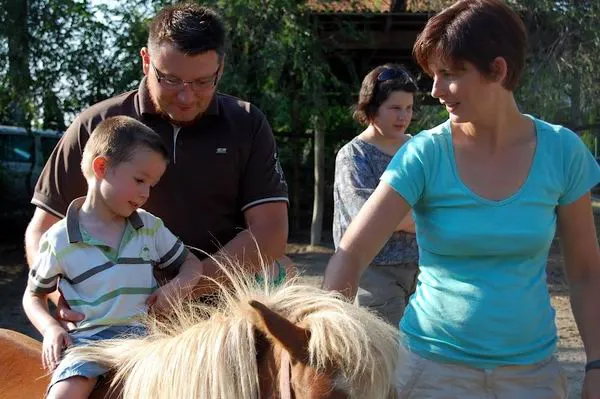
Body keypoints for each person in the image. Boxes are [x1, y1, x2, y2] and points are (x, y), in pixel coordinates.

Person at [323, 0, 600, 397]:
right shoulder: (424, 154)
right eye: (433, 75)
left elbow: (587, 271)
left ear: (498, 70)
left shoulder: (563, 151)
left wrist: (596, 364)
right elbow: (350, 254)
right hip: (431, 373)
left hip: (532, 376)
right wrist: (329, 356)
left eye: (450, 74)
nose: (435, 90)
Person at [24, 3, 290, 325]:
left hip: (226, 313)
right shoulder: (97, 124)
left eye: (204, 82)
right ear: (146, 61)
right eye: (171, 80)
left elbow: (271, 231)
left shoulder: (247, 124)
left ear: (220, 68)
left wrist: (186, 286)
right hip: (119, 320)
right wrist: (59, 295)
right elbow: (43, 227)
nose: (186, 97)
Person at [23, 116, 204, 399]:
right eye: (139, 180)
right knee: (63, 395)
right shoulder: (58, 239)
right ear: (101, 167)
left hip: (146, 342)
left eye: (151, 185)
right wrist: (49, 329)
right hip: (88, 345)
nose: (145, 194)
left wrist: (177, 287)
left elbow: (191, 264)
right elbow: (33, 296)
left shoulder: (149, 227)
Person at [332, 64, 419, 326]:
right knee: (385, 359)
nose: (403, 116)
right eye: (395, 108)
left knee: (423, 359)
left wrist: (405, 218)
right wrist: (424, 216)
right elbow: (369, 218)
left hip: (424, 271)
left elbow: (441, 204)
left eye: (408, 108)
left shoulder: (418, 149)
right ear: (371, 108)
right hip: (374, 273)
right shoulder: (353, 156)